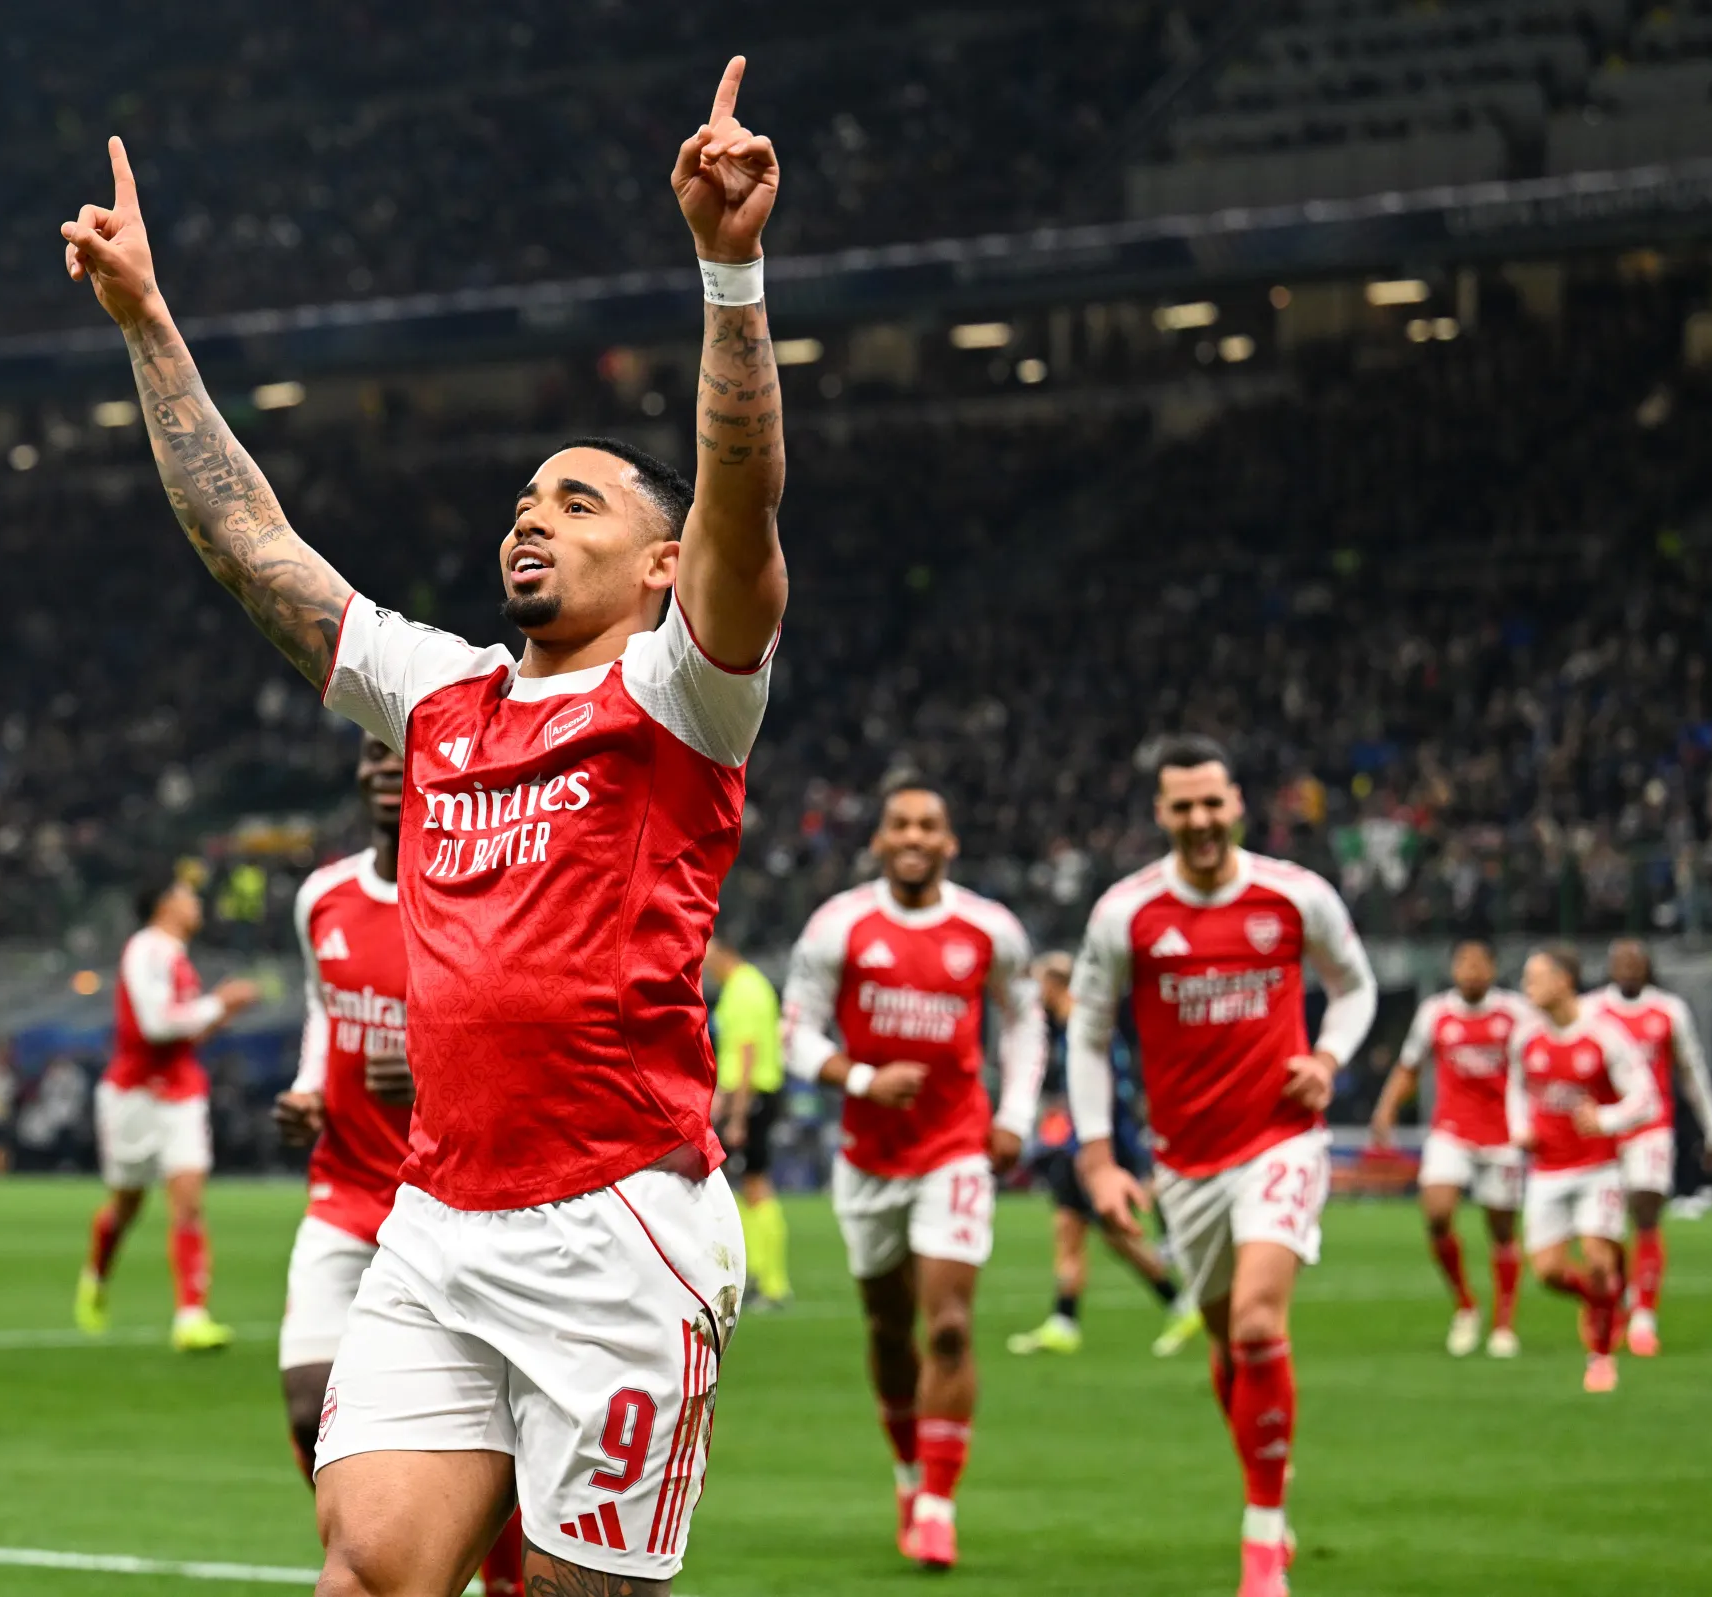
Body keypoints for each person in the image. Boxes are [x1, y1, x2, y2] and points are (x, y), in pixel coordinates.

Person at [62, 54, 786, 1594]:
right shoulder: (441, 696)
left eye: (580, 502)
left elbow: (743, 497)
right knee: (371, 1569)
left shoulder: (683, 694)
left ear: (662, 566)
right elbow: (249, 540)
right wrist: (147, 322)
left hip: (619, 1226)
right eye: (527, 498)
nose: (534, 514)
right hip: (439, 1216)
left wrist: (729, 271)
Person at [1067, 735, 1377, 1597]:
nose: (1201, 819)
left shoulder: (1295, 894)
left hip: (1282, 1138)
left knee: (1256, 1321)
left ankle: (1263, 1539)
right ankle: (1264, 1486)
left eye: (1213, 802)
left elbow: (1356, 986)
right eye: (1184, 806)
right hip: (1184, 1163)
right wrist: (1099, 1158)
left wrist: (1328, 1058)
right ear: (1161, 813)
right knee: (1227, 1344)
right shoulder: (1126, 912)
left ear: (1238, 804)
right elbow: (1087, 1034)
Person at [271, 738, 527, 1597]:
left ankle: (478, 1567)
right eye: (370, 754)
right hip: (344, 1189)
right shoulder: (323, 898)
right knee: (306, 1404)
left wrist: (433, 1073)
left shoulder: (476, 893)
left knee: (481, 1423)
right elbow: (324, 1007)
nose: (384, 766)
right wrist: (312, 1087)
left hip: (449, 1198)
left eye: (400, 752)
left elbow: (512, 1032)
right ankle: (400, 1550)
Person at [781, 782, 1044, 1570]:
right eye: (900, 824)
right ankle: (906, 1470)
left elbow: (1025, 1021)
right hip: (868, 1157)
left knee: (950, 1324)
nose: (914, 836)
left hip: (956, 1148)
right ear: (879, 840)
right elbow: (798, 1034)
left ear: (949, 842)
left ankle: (936, 1502)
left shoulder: (989, 928)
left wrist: (1015, 1116)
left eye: (929, 825)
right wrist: (862, 1079)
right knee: (888, 1328)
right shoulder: (839, 925)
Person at [75, 872, 260, 1352]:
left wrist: (224, 1011)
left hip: (181, 1091)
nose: (195, 902)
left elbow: (185, 1033)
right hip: (134, 1094)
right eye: (185, 894)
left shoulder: (176, 957)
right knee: (126, 1205)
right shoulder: (146, 950)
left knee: (189, 1202)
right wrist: (219, 1002)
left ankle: (191, 1317)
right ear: (164, 904)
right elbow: (157, 1026)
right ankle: (96, 1275)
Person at [1007, 951, 1204, 1360]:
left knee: (1115, 1237)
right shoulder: (1066, 1030)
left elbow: (1114, 1094)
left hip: (1094, 1151)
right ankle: (1064, 1322)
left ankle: (1180, 1301)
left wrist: (1104, 1154)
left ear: (1055, 985)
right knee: (1068, 1228)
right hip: (1073, 1148)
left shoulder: (1088, 1030)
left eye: (1040, 984)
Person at [1370, 941, 1532, 1359]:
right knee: (1438, 1214)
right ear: (1453, 969)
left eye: (1479, 964)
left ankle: (1504, 1325)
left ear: (1493, 969)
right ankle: (1466, 1306)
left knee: (1502, 1230)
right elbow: (1410, 1065)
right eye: (1464, 963)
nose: (1472, 971)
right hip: (1451, 1131)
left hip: (1503, 1135)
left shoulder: (1516, 1013)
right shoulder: (1435, 1012)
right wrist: (1387, 1109)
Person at [1506, 946, 1655, 1395]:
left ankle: (1601, 1359)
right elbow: (1516, 1088)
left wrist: (1606, 1119)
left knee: (1597, 1258)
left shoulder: (1604, 1035)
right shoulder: (1526, 1037)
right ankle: (1608, 1298)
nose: (1527, 987)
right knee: (1548, 1272)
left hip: (1598, 1169)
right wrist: (1519, 1128)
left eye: (1535, 977)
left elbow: (1646, 1097)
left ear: (1564, 981)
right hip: (1547, 1171)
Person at [1586, 939, 1712, 1357]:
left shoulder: (1668, 1010)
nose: (1628, 969)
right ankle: (1618, 1300)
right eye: (1621, 962)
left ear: (1647, 968)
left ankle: (1644, 1317)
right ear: (1610, 967)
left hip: (1651, 1127)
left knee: (1646, 1209)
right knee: (1607, 1226)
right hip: (1604, 1129)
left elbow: (1691, 1070)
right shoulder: (1592, 1010)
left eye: (1636, 962)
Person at [705, 933, 791, 1308]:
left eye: (708, 959)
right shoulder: (754, 985)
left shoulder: (741, 992)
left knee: (755, 1186)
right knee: (752, 1185)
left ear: (725, 954)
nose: (705, 967)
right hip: (759, 1094)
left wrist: (736, 1114)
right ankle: (761, 1275)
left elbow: (745, 1054)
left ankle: (770, 1282)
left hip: (751, 1097)